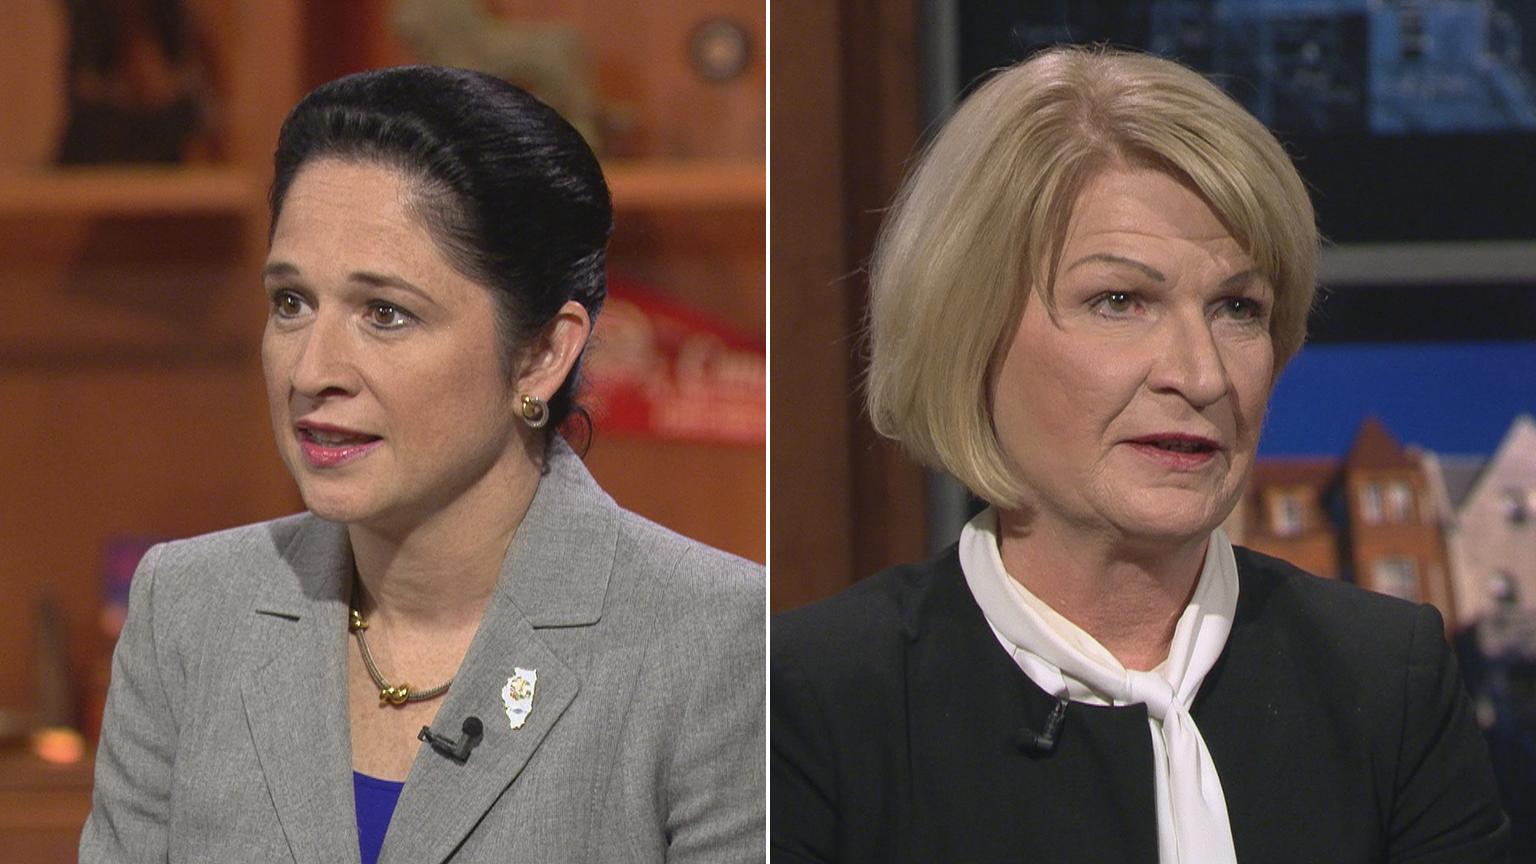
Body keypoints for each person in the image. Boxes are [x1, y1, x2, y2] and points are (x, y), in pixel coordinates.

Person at [771, 46, 1508, 863]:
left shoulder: (1384, 680)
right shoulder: (814, 700)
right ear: (967, 331)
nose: (1199, 374)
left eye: (1238, 307)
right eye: (1119, 301)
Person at [80, 66, 764, 863]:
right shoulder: (189, 611)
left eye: (385, 313)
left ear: (541, 354)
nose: (311, 371)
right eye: (291, 303)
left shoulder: (717, 643)